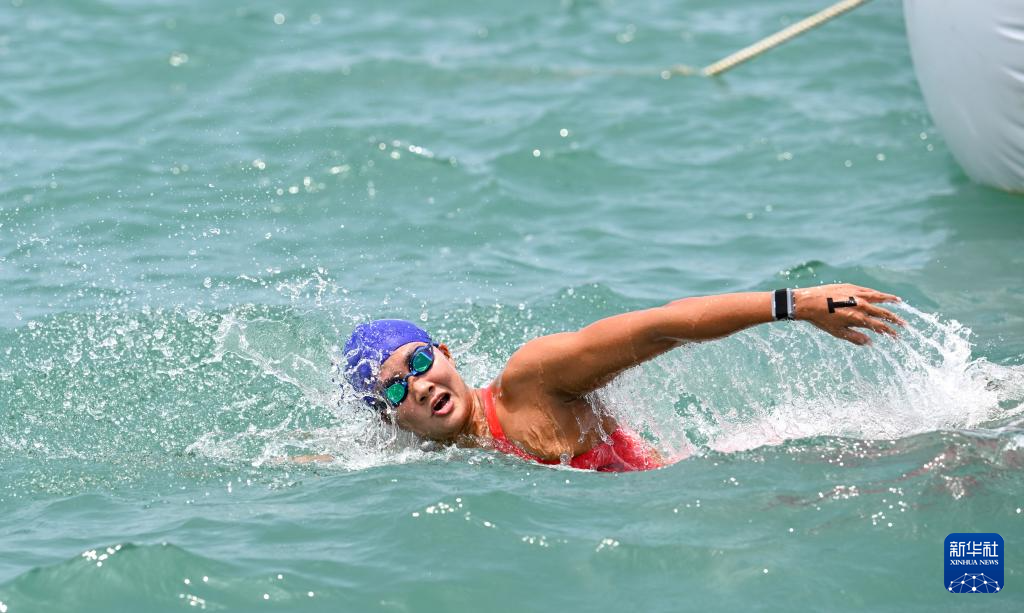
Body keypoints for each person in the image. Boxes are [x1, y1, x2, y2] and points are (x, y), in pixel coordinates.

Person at [319, 284, 903, 472]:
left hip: (699, 485)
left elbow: (659, 327)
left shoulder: (532, 384)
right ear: (389, 417)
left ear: (445, 353)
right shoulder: (416, 454)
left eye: (420, 362)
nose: (419, 385)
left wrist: (795, 304)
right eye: (394, 388)